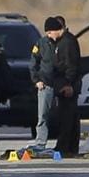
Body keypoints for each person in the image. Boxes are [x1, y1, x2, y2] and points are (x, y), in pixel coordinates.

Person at [51, 16, 81, 157]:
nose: (49, 35)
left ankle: (65, 146)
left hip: (67, 85)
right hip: (65, 84)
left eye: (51, 31)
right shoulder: (63, 41)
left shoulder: (67, 43)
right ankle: (70, 147)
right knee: (70, 117)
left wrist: (68, 84)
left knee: (67, 118)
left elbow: (71, 66)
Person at [28, 17, 60, 150]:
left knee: (62, 115)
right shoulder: (40, 44)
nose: (56, 33)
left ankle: (64, 142)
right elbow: (33, 64)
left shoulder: (62, 43)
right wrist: (37, 81)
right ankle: (40, 143)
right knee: (42, 115)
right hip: (45, 84)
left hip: (60, 83)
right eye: (54, 30)